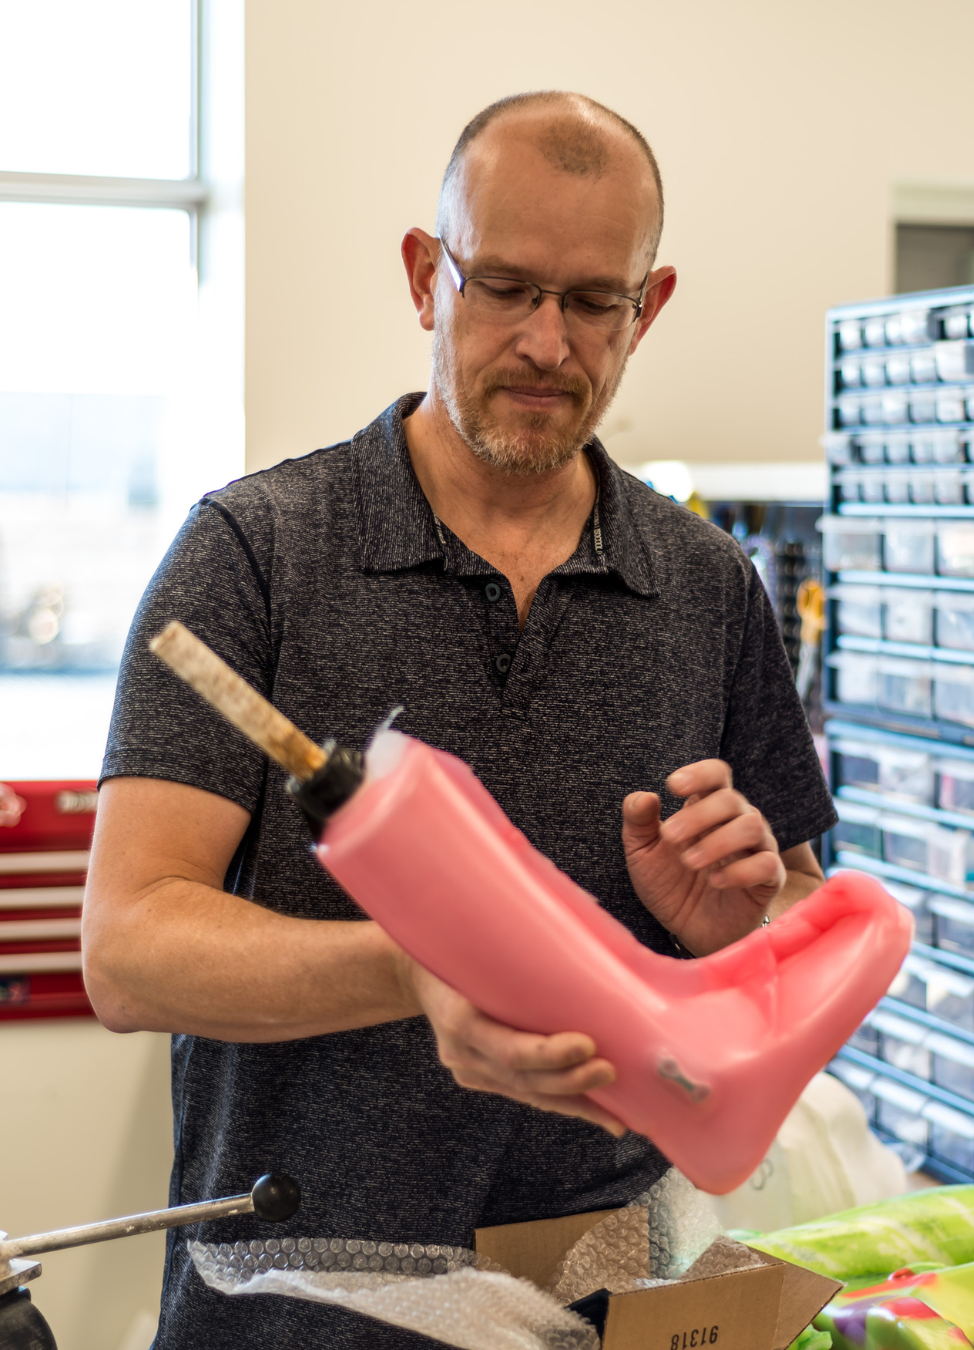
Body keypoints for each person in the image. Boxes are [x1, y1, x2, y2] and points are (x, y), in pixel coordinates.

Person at [83, 91, 837, 1349]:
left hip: (602, 1305)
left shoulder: (707, 586)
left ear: (646, 309)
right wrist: (417, 967)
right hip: (292, 1312)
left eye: (594, 301)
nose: (548, 342)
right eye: (505, 287)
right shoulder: (256, 555)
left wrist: (733, 930)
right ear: (427, 276)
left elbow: (800, 916)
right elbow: (127, 946)